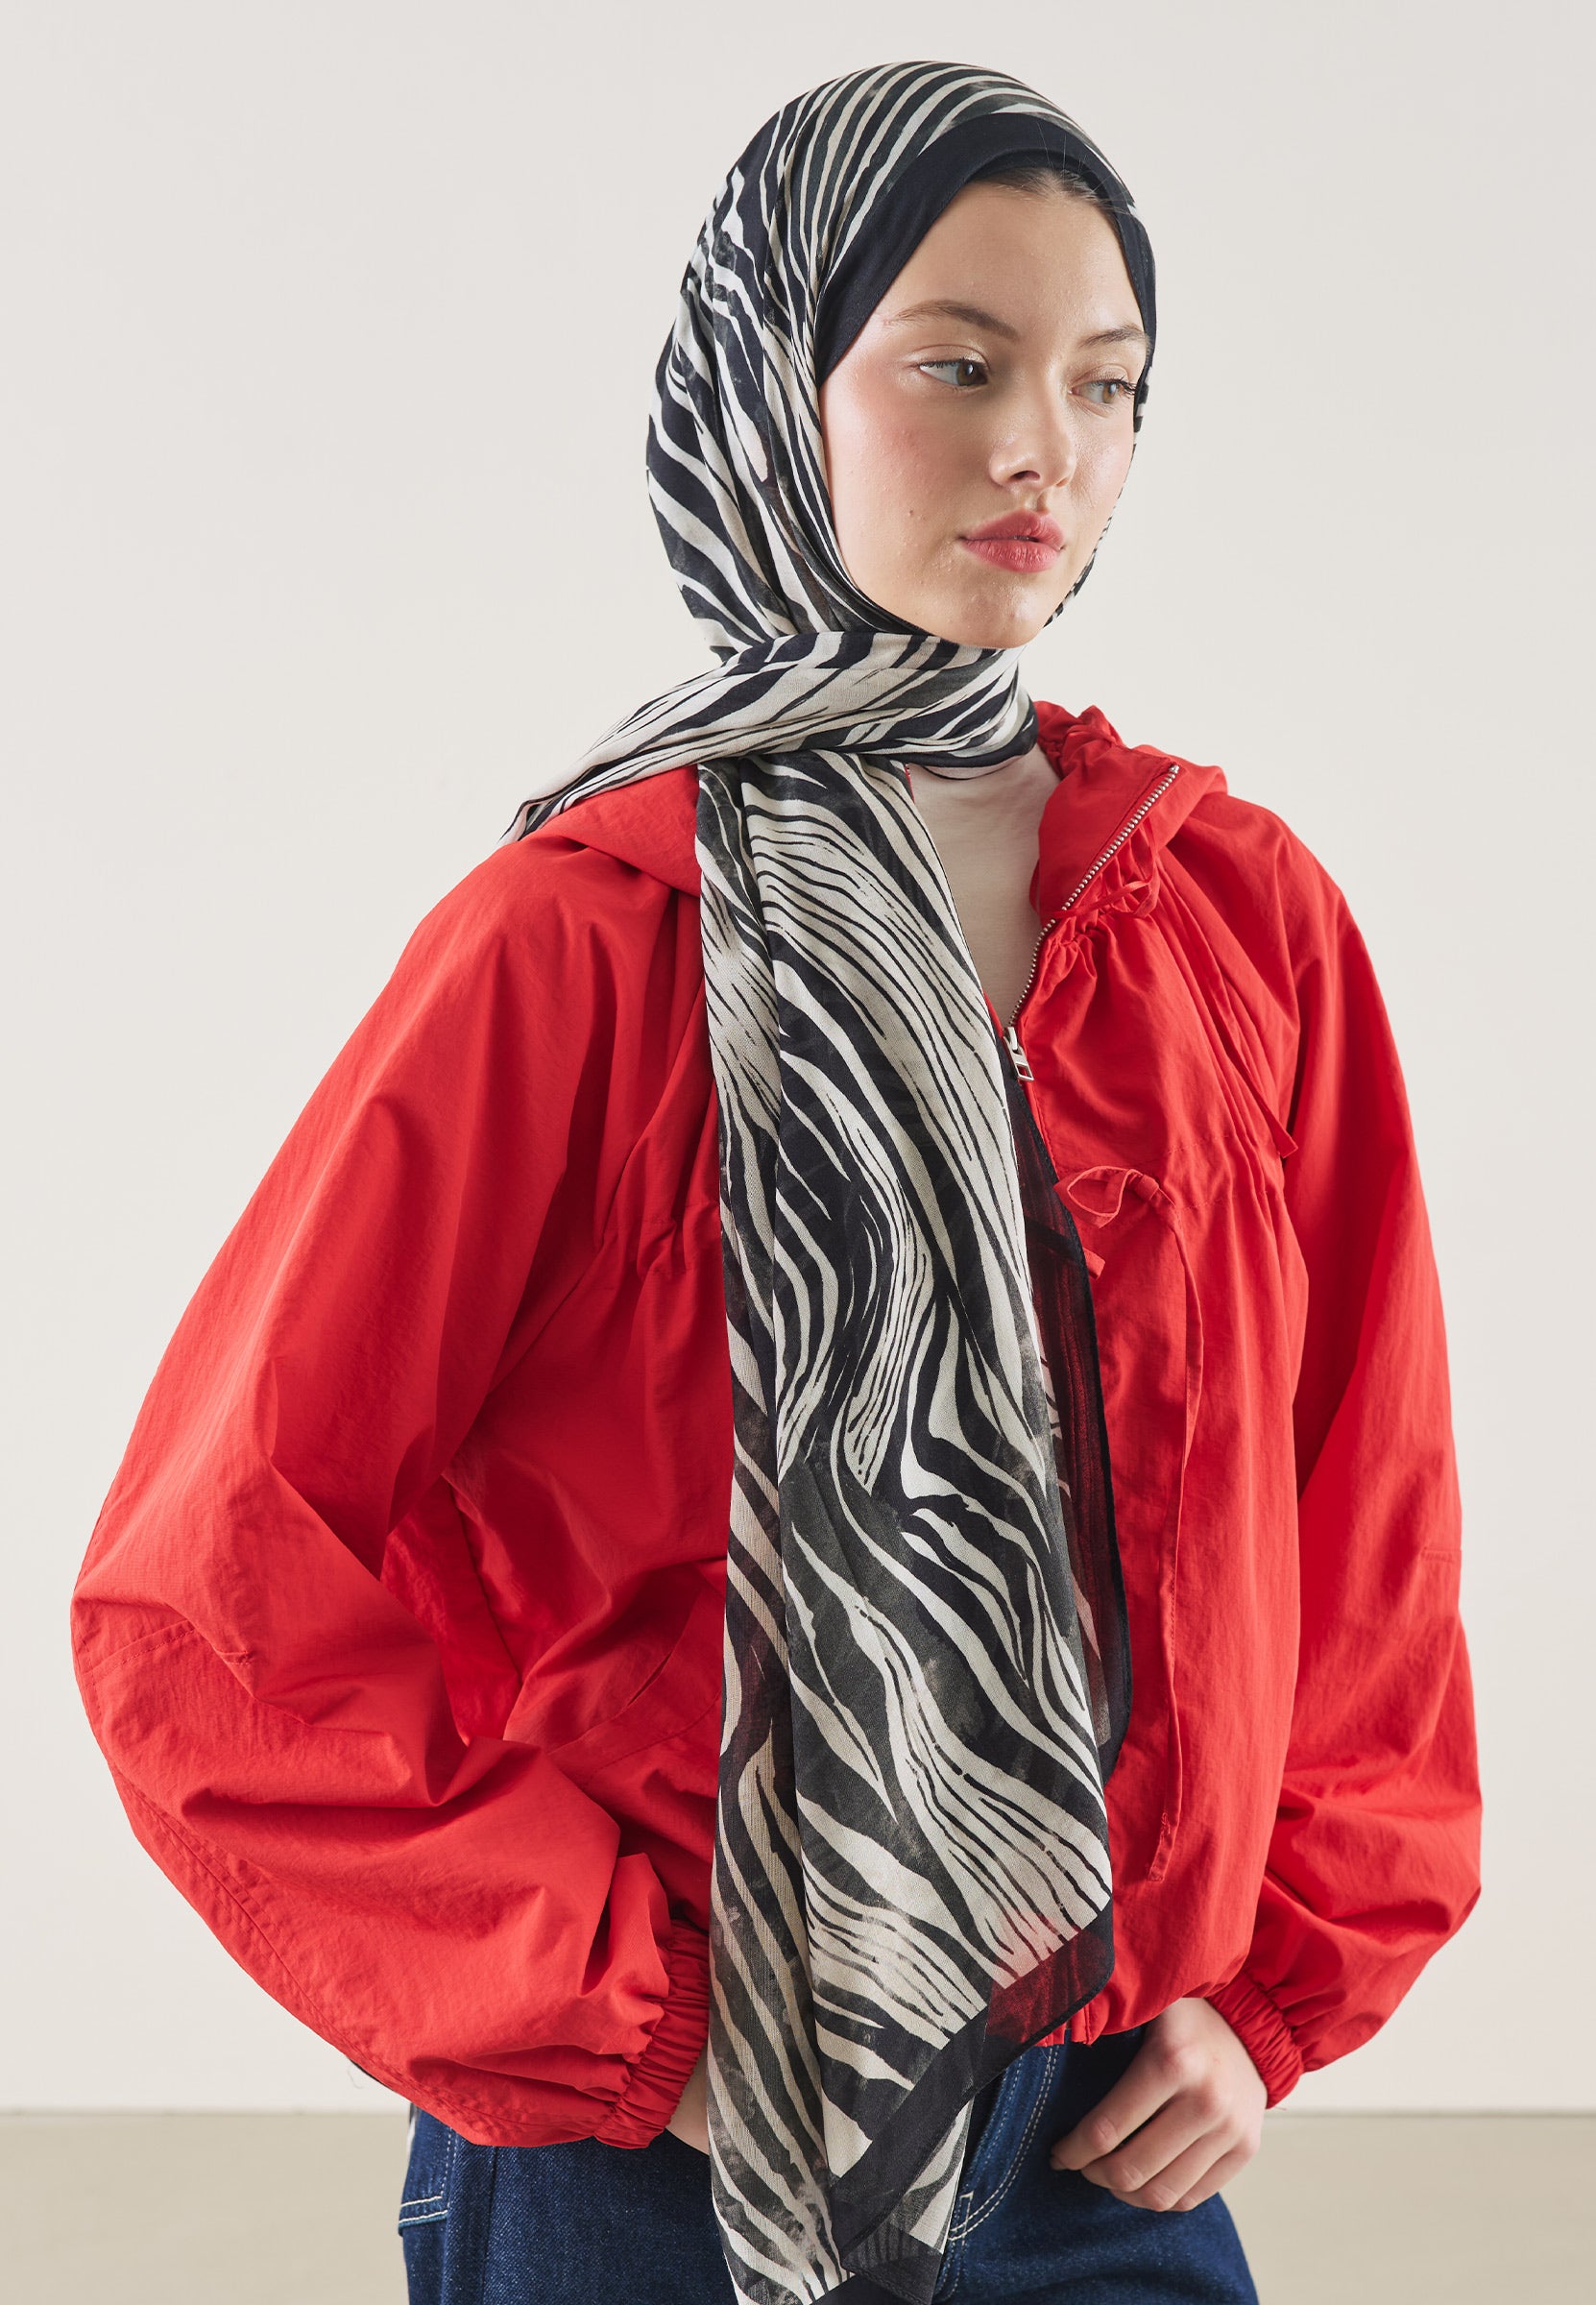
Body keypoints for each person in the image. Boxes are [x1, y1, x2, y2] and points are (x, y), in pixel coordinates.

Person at [70, 59, 1481, 2305]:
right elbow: (207, 1595)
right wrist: (621, 2018)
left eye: (1107, 385)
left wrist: (1284, 1981)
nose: (1043, 448)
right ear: (767, 381)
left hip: (1105, 2132)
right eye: (958, 364)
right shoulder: (580, 936)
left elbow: (1364, 1516)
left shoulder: (1238, 919)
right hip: (662, 2159)